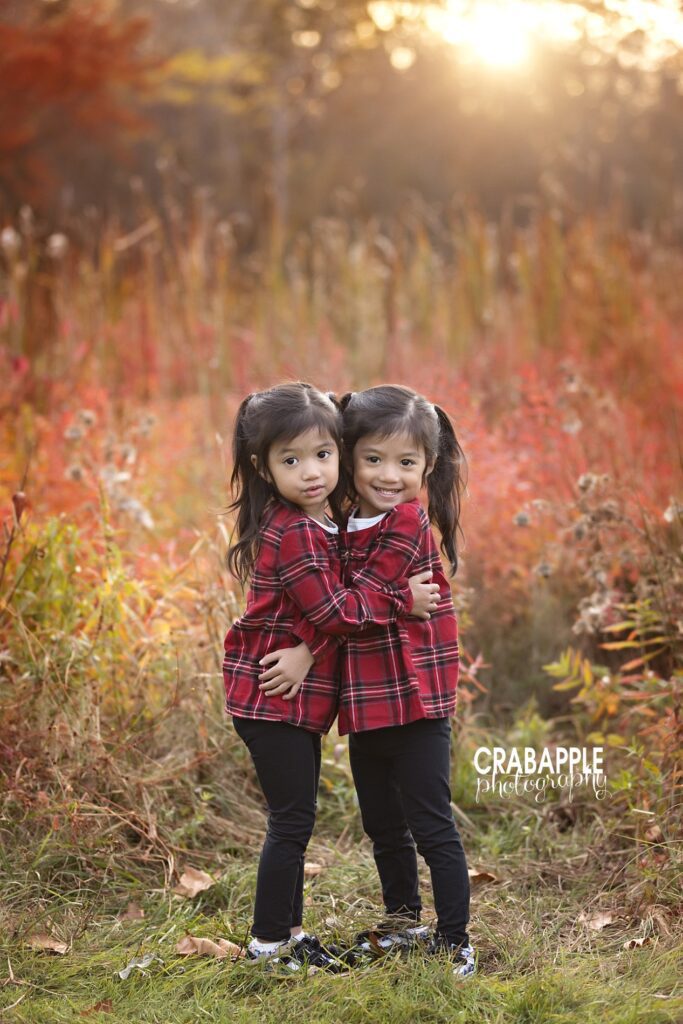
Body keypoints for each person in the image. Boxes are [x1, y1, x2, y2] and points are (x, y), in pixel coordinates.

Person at [223, 382, 439, 971]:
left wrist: (311, 652)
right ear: (263, 468)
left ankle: (289, 937)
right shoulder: (293, 529)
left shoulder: (323, 522)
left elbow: (327, 616)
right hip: (271, 695)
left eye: (322, 455)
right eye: (290, 460)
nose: (312, 472)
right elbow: (338, 612)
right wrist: (401, 601)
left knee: (295, 819)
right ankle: (269, 946)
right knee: (291, 822)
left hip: (294, 696)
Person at [337, 385, 475, 978]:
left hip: (416, 702)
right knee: (382, 825)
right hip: (368, 703)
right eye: (373, 459)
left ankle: (455, 939)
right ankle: (403, 919)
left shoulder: (408, 522)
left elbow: (349, 600)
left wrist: (382, 600)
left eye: (406, 463)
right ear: (348, 456)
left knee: (430, 822)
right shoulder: (339, 523)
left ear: (427, 466)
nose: (389, 475)